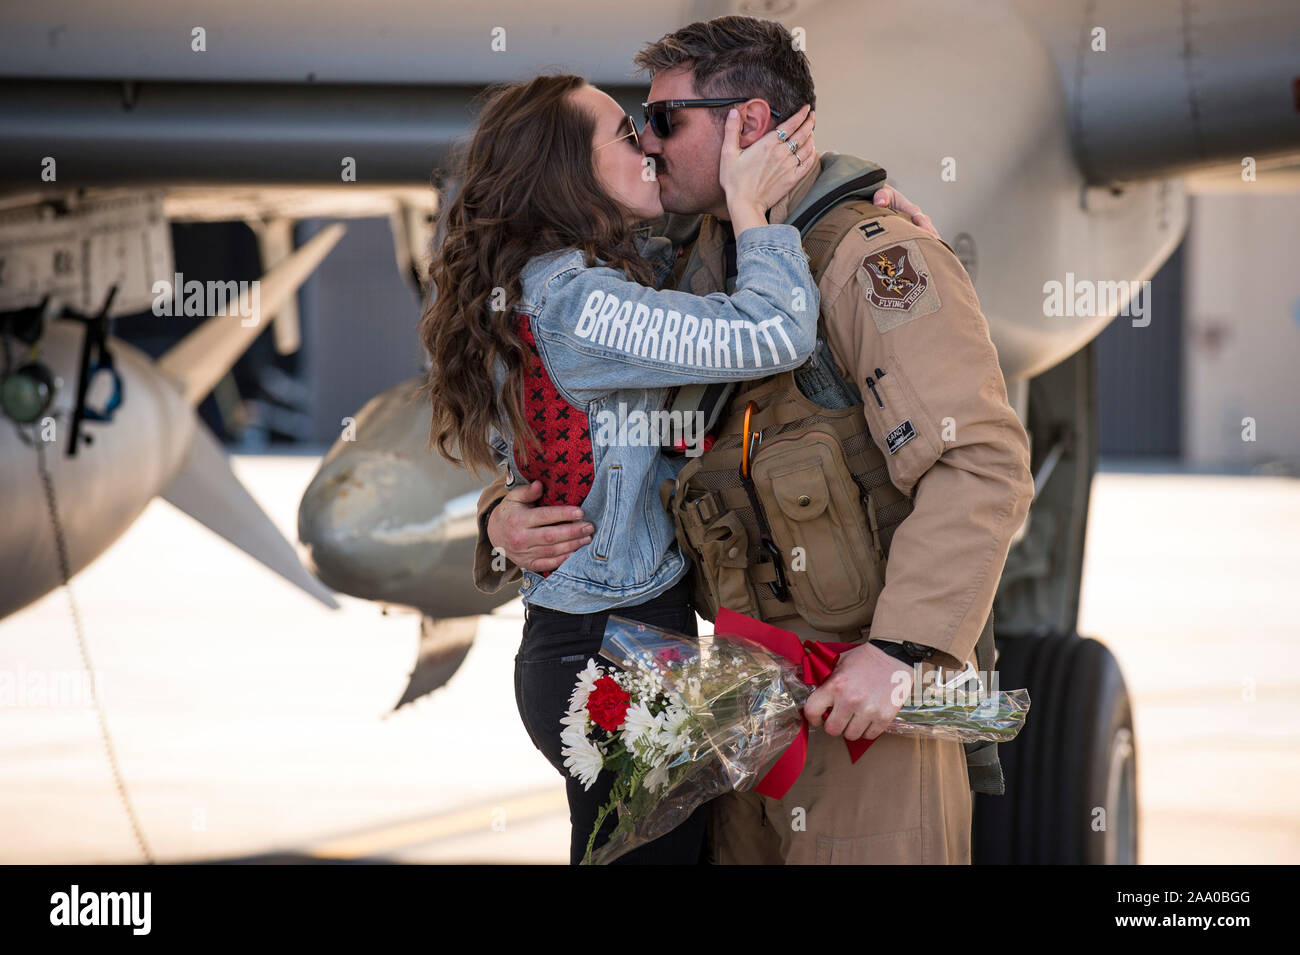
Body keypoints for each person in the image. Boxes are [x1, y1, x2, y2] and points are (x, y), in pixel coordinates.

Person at [475, 16, 1035, 864]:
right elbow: (565, 411)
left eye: (664, 122)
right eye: (638, 126)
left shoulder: (865, 259)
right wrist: (500, 520)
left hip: (865, 719)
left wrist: (899, 651)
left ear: (748, 124)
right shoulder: (683, 261)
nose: (649, 146)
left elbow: (981, 465)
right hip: (740, 720)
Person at [419, 72, 823, 864]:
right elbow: (775, 331)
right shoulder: (580, 305)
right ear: (569, 172)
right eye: (622, 132)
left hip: (610, 642)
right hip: (608, 653)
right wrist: (751, 210)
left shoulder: (560, 282)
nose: (645, 141)